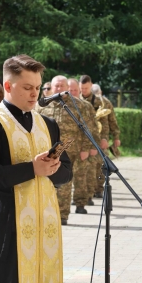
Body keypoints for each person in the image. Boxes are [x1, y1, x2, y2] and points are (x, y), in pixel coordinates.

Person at [0, 54, 72, 283]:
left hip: (44, 221)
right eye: (27, 87)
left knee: (43, 280)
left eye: (37, 87)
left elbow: (66, 172)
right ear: (7, 86)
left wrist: (52, 168)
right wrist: (31, 169)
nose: (34, 93)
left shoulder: (48, 124)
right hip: (7, 220)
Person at [36, 75, 93, 223]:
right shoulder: (42, 106)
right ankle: (46, 213)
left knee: (66, 184)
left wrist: (86, 148)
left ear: (67, 88)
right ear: (51, 88)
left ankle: (62, 215)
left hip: (72, 150)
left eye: (62, 86)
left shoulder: (79, 105)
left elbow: (88, 128)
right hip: (48, 151)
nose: (59, 89)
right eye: (56, 86)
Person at [68, 78, 99, 206]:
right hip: (64, 148)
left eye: (75, 90)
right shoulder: (60, 105)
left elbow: (93, 127)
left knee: (82, 176)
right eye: (71, 90)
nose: (73, 92)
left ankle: (81, 201)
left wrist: (91, 146)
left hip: (81, 147)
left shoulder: (86, 106)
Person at [79, 75, 109, 198]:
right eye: (82, 88)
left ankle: (99, 189)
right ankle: (86, 191)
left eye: (86, 88)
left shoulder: (101, 102)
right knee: (85, 167)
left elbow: (107, 122)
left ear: (91, 85)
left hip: (98, 136)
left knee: (100, 165)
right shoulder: (76, 101)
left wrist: (105, 138)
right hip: (82, 139)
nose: (84, 91)